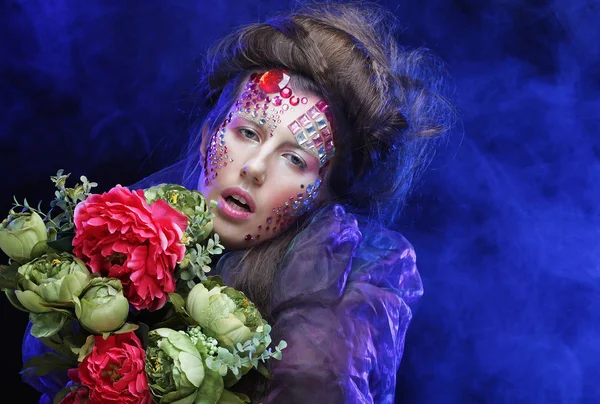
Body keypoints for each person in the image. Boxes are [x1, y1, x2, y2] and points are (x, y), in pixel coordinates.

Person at [22, 1, 456, 403]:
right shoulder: (125, 235)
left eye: (294, 158)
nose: (254, 168)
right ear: (211, 134)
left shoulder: (358, 272)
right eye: (247, 133)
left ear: (324, 194)